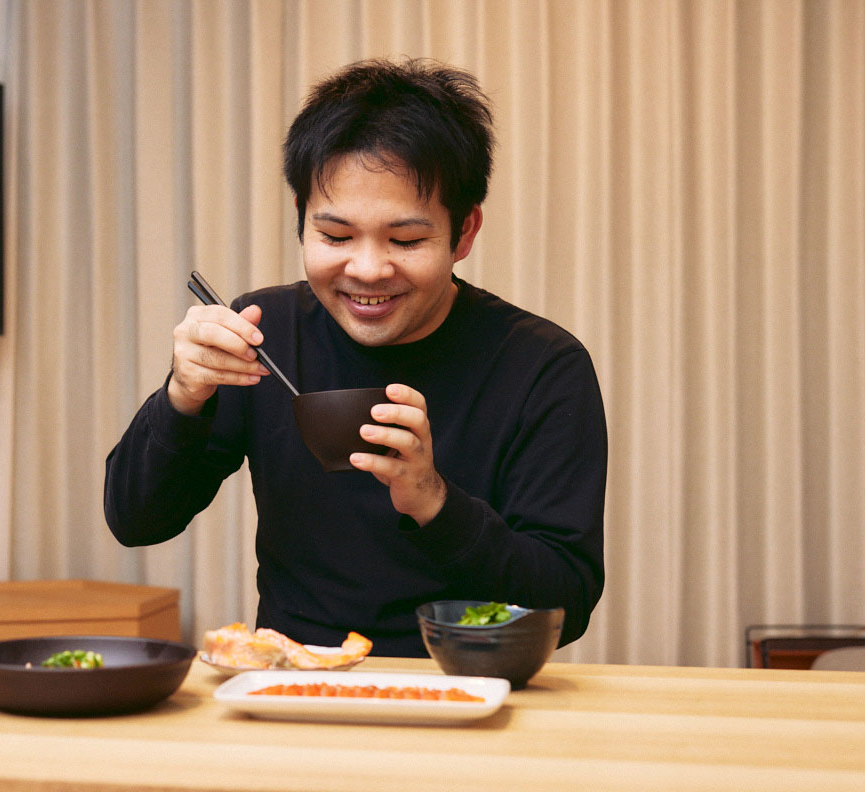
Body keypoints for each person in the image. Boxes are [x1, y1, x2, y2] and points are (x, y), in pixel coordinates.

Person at [104, 57, 607, 656]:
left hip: (461, 688)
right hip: (295, 681)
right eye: (335, 237)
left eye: (407, 240)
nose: (367, 269)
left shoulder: (540, 366)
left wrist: (432, 501)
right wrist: (181, 399)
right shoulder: (265, 334)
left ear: (464, 232)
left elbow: (565, 604)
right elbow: (136, 521)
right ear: (301, 222)